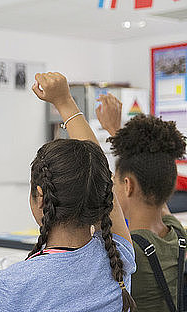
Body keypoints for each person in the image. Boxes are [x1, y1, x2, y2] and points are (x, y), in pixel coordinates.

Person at [0, 72, 136, 312]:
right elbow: (99, 172)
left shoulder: (11, 286)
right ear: (104, 196)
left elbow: (100, 173)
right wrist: (65, 102)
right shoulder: (118, 258)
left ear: (40, 197)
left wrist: (63, 101)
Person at [96, 94, 187, 312]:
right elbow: (151, 183)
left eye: (114, 181)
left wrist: (65, 104)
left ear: (127, 186)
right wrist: (117, 133)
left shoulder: (127, 251)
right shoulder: (177, 235)